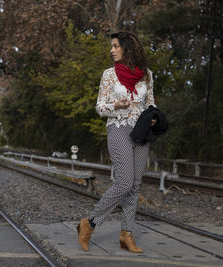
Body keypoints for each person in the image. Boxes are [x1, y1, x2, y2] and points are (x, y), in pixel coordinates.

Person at [77, 31, 156, 253]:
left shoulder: (147, 75)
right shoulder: (109, 75)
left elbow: (151, 104)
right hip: (118, 129)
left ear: (127, 48)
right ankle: (89, 223)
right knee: (124, 182)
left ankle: (126, 235)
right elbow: (100, 107)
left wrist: (153, 117)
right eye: (111, 46)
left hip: (141, 132)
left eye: (115, 46)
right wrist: (116, 106)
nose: (112, 50)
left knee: (136, 185)